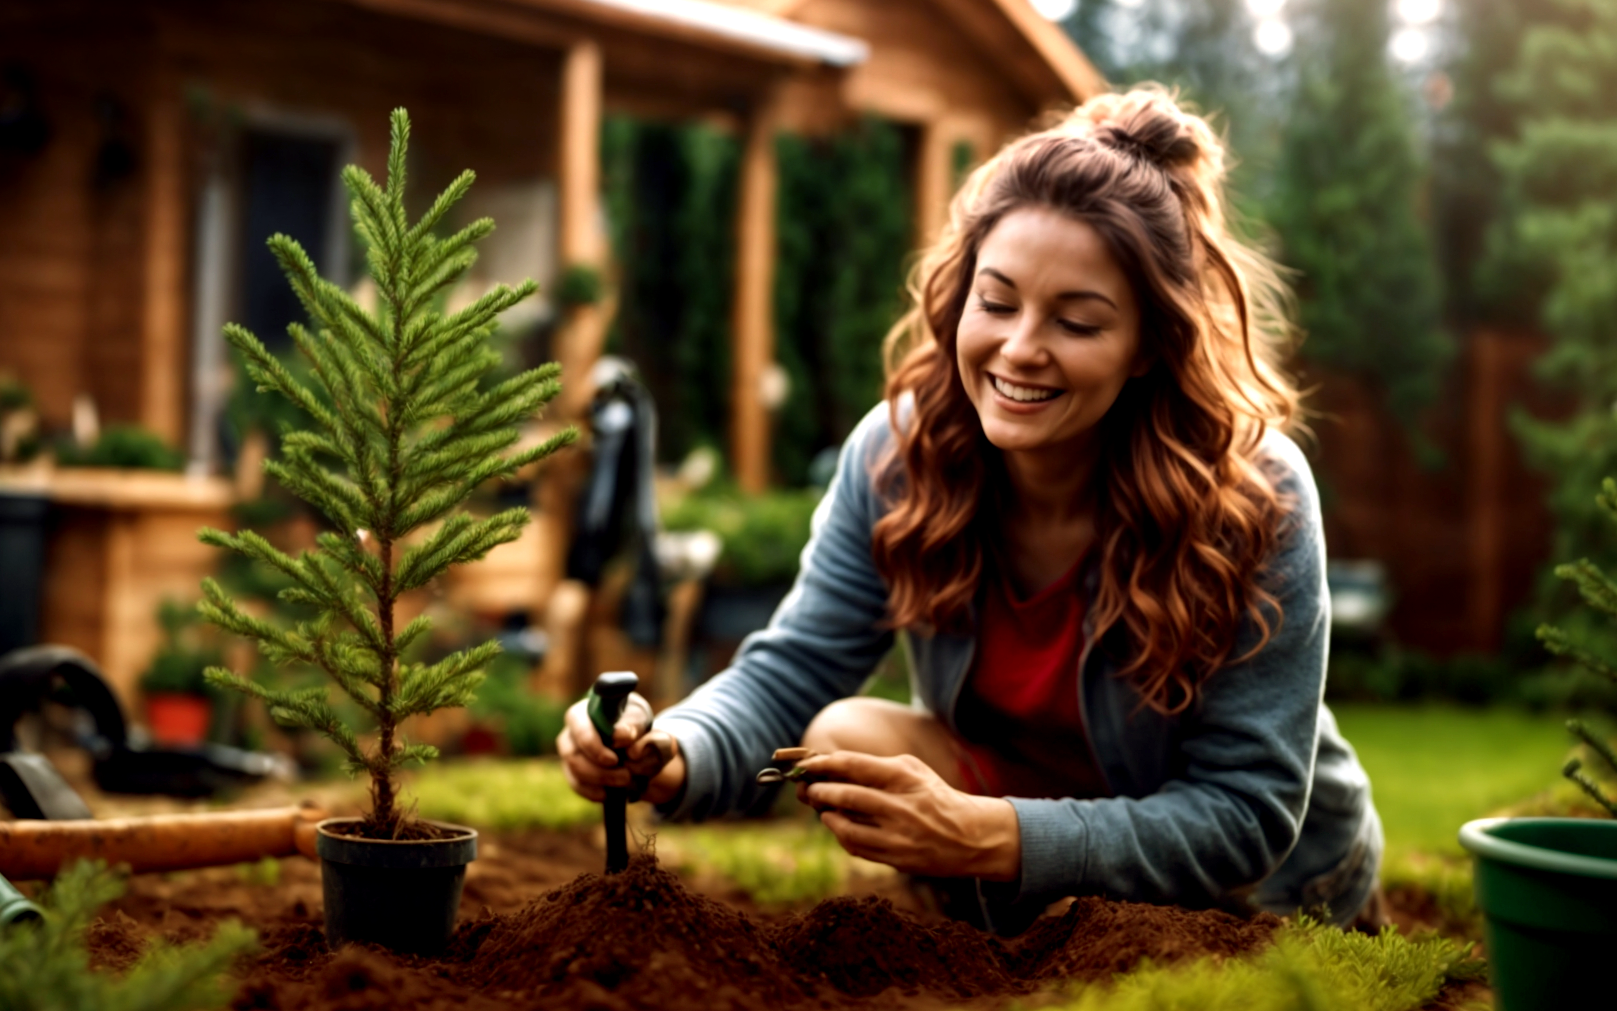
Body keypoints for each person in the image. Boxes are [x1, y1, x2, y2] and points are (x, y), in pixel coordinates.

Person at [556, 87, 1382, 932]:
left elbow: (1247, 814)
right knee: (846, 734)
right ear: (961, 299)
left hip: (1266, 890)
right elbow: (796, 665)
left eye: (1077, 321)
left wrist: (988, 834)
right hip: (1037, 844)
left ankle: (1016, 898)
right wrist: (673, 748)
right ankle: (1013, 919)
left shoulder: (1253, 492)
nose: (1020, 347)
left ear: (1149, 345)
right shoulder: (898, 454)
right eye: (997, 302)